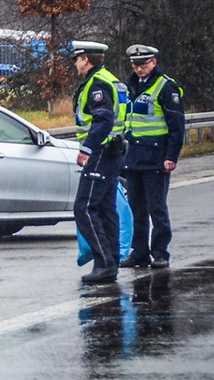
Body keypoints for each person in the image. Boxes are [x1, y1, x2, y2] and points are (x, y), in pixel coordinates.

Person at [119, 44, 184, 269]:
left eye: (144, 64)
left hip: (156, 157)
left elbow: (177, 126)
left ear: (153, 63)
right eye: (136, 65)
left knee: (157, 208)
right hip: (134, 156)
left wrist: (171, 156)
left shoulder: (166, 87)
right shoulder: (130, 86)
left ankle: (160, 252)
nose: (139, 69)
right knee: (137, 208)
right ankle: (140, 253)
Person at [69, 40, 128, 284]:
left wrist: (87, 148)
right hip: (112, 150)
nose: (75, 63)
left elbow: (103, 119)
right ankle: (110, 263)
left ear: (85, 59)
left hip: (101, 152)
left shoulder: (98, 84)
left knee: (83, 207)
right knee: (105, 209)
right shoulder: (111, 79)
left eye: (77, 58)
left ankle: (104, 262)